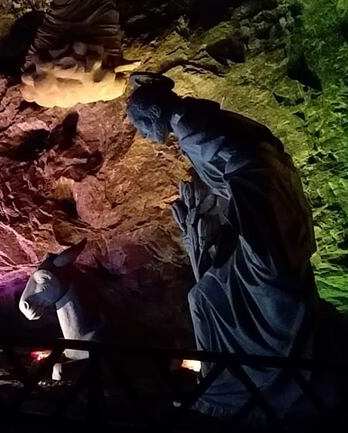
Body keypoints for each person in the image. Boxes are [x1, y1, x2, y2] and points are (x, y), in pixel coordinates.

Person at [126, 73, 320, 421]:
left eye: (140, 124)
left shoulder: (193, 123)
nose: (141, 133)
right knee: (203, 297)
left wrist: (237, 203)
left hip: (261, 207)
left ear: (154, 110)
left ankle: (262, 378)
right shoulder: (191, 123)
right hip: (249, 204)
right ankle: (225, 381)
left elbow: (246, 157)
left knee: (269, 282)